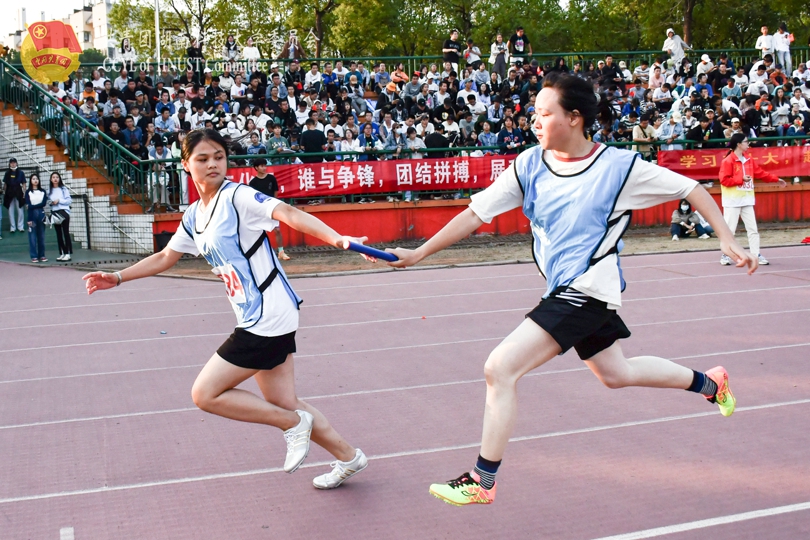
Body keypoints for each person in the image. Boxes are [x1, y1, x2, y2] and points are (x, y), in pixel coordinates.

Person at [386, 72, 753, 506]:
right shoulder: (528, 165)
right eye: (533, 114)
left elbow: (690, 187)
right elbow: (474, 213)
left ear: (574, 118)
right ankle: (710, 384)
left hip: (589, 288)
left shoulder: (619, 168)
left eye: (545, 114)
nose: (534, 122)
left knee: (499, 368)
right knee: (617, 374)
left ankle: (482, 480)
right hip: (563, 288)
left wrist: (725, 238)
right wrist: (417, 253)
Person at [83, 128, 369, 489]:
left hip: (268, 313)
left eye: (218, 156)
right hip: (256, 312)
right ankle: (349, 457)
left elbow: (287, 213)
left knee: (206, 394)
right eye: (202, 159)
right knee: (283, 400)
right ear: (186, 165)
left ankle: (292, 426)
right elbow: (165, 256)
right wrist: (118, 276)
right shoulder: (194, 214)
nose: (213, 164)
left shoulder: (239, 198)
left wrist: (337, 238)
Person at [718, 133, 787, 266]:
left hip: (747, 199)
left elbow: (761, 173)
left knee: (753, 229)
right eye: (745, 141)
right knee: (729, 230)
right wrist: (740, 180)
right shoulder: (728, 161)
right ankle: (726, 255)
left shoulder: (749, 160)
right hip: (732, 201)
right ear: (738, 144)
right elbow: (724, 180)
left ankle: (755, 254)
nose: (748, 144)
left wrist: (776, 179)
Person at [249, 158, 290, 261]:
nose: (264, 168)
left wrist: (274, 203)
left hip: (272, 208)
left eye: (265, 165)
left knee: (277, 230)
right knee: (261, 233)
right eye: (261, 166)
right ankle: (262, 254)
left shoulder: (271, 178)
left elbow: (275, 191)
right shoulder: (253, 182)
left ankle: (281, 252)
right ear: (256, 168)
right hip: (260, 210)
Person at [48, 172, 72, 261]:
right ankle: (62, 252)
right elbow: (48, 202)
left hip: (63, 211)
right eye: (53, 177)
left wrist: (59, 200)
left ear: (59, 179)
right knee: (58, 234)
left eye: (57, 177)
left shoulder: (63, 189)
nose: (55, 179)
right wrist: (51, 203)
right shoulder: (49, 191)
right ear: (51, 179)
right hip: (54, 212)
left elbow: (69, 200)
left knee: (65, 233)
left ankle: (68, 253)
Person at [25, 173, 48, 262]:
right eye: (33, 179)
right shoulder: (28, 192)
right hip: (32, 214)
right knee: (32, 236)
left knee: (41, 236)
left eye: (37, 179)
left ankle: (42, 255)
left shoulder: (43, 191)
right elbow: (28, 204)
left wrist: (32, 206)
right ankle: (34, 256)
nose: (35, 180)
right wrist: (29, 219)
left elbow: (43, 203)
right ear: (30, 181)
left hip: (41, 213)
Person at [3, 157, 26, 234]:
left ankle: (20, 226)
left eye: (14, 162)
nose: (13, 164)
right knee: (10, 211)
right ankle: (12, 227)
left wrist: (24, 192)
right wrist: (4, 192)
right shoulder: (7, 173)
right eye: (11, 163)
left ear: (16, 163)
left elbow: (23, 183)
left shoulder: (21, 173)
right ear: (9, 164)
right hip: (9, 193)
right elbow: (5, 184)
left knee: (20, 210)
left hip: (18, 192)